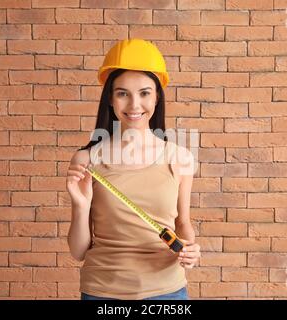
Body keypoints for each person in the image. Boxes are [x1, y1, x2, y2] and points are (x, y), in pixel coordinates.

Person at [66, 39, 201, 300]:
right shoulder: (87, 160)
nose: (134, 104)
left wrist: (189, 249)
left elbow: (182, 223)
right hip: (102, 293)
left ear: (157, 96)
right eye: (122, 93)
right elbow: (78, 252)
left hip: (167, 293)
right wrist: (81, 207)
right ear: (110, 98)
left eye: (144, 92)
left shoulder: (180, 157)